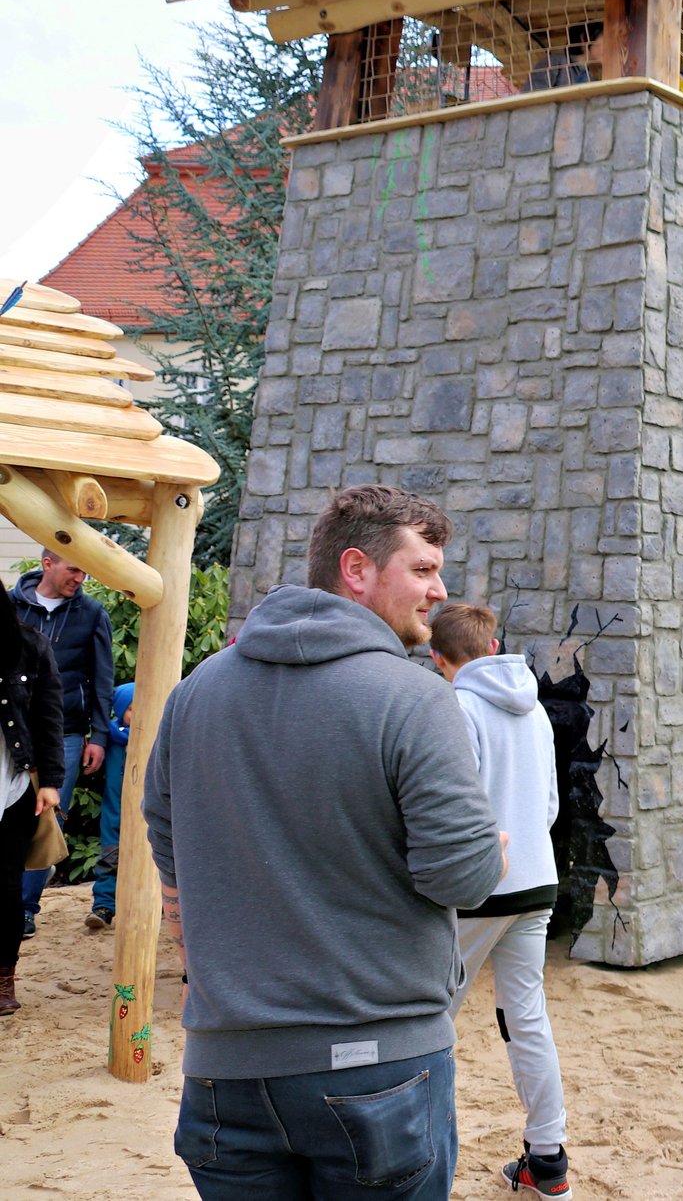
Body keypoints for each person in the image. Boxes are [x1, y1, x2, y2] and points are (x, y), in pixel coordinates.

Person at [144, 485, 506, 1199]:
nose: (439, 589)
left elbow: (167, 839)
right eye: (424, 568)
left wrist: (203, 960)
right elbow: (461, 878)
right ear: (356, 568)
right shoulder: (414, 698)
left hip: (225, 1073)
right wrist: (490, 846)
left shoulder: (194, 693)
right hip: (378, 1072)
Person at [429, 604, 571, 1200]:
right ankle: (549, 1158)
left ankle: (418, 1155)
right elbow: (548, 806)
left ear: (439, 659)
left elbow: (460, 812)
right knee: (525, 1017)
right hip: (538, 880)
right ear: (492, 647)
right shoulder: (534, 707)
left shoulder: (456, 706)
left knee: (429, 1020)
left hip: (483, 886)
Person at [12, 549, 114, 938]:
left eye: (86, 570)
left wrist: (100, 737)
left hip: (67, 734)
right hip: (10, 733)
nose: (81, 577)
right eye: (74, 568)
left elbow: (102, 680)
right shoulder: (9, 606)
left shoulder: (92, 614)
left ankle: (25, 910)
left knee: (47, 820)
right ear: (48, 564)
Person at [0, 595, 64, 1014]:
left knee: (5, 888)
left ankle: (3, 981)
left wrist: (52, 783)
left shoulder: (30, 646)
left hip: (13, 785)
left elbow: (48, 717)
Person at [86, 681, 136, 931]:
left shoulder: (158, 738)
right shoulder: (110, 737)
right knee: (109, 859)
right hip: (114, 814)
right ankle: (103, 906)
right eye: (130, 708)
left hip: (145, 816)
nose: (136, 714)